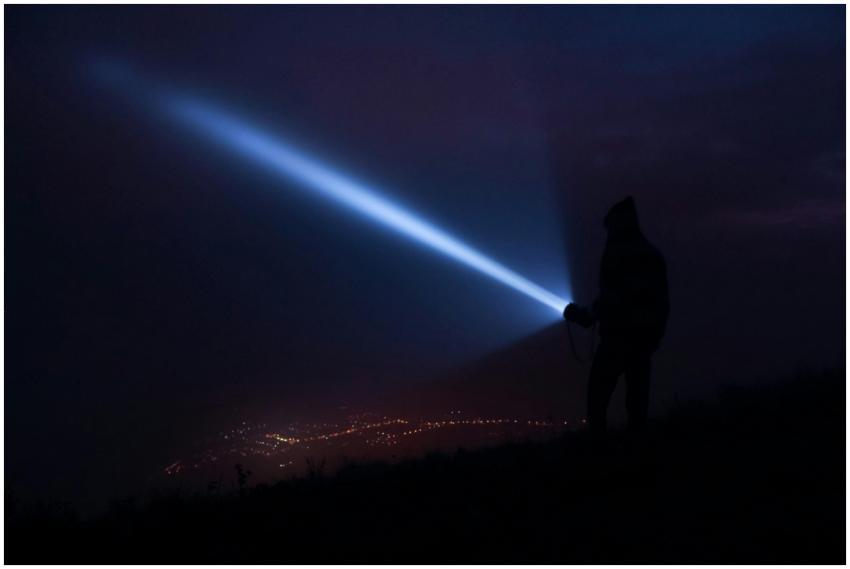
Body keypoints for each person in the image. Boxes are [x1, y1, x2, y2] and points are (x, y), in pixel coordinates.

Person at [564, 196, 669, 435]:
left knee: (598, 396)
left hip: (617, 339)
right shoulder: (652, 255)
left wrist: (581, 316)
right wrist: (655, 335)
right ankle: (636, 455)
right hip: (645, 339)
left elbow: (611, 299)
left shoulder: (616, 255)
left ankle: (601, 455)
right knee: (638, 400)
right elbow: (661, 302)